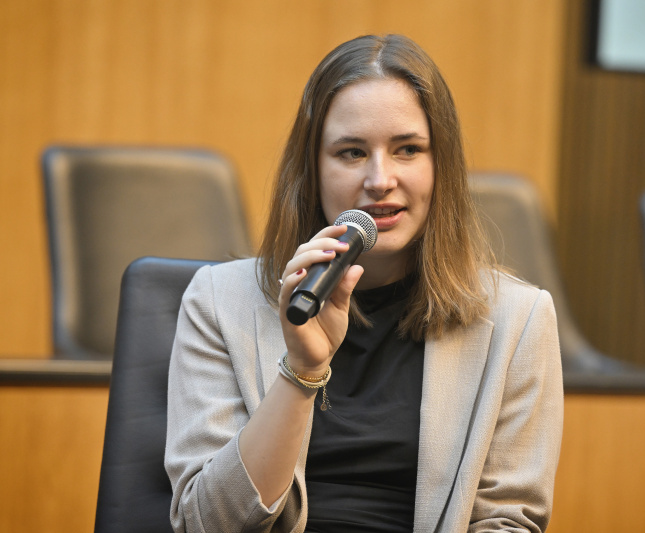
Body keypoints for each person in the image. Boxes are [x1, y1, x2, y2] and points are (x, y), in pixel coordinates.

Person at [165, 34, 563, 533]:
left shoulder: (517, 320)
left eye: (408, 150)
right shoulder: (219, 301)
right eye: (352, 152)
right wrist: (303, 372)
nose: (380, 179)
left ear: (442, 167)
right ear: (312, 168)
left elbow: (507, 522)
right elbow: (205, 522)